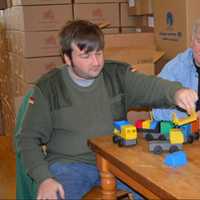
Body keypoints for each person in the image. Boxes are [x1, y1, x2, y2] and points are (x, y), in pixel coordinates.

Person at [19, 20, 198, 200]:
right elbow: (27, 139)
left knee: (162, 189)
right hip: (70, 165)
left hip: (117, 160)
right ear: (67, 58)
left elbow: (150, 86)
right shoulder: (49, 87)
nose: (96, 62)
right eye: (86, 56)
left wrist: (176, 92)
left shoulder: (116, 74)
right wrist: (44, 178)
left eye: (99, 53)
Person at [153, 18, 200, 121]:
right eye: (199, 41)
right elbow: (157, 110)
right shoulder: (176, 68)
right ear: (192, 41)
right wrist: (193, 117)